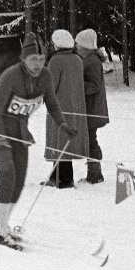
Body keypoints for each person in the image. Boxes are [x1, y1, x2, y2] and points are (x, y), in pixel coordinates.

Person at [0, 33, 78, 251]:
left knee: (19, 181)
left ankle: (2, 225)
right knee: (8, 177)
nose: (37, 64)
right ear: (23, 58)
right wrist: (2, 143)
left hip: (20, 133)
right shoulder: (10, 76)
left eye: (41, 59)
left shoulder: (45, 76)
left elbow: (52, 102)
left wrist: (63, 125)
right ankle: (2, 235)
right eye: (33, 59)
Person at [42, 30, 89, 189]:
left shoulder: (56, 60)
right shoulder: (77, 59)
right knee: (64, 141)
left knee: (58, 140)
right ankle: (58, 177)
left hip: (59, 107)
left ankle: (63, 179)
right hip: (75, 106)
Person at [76, 29, 109, 184]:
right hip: (89, 107)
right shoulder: (87, 59)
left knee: (91, 140)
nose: (76, 46)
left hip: (93, 108)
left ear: (85, 45)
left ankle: (95, 174)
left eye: (78, 44)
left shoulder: (92, 61)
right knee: (89, 140)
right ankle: (93, 172)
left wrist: (77, 85)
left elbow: (94, 85)